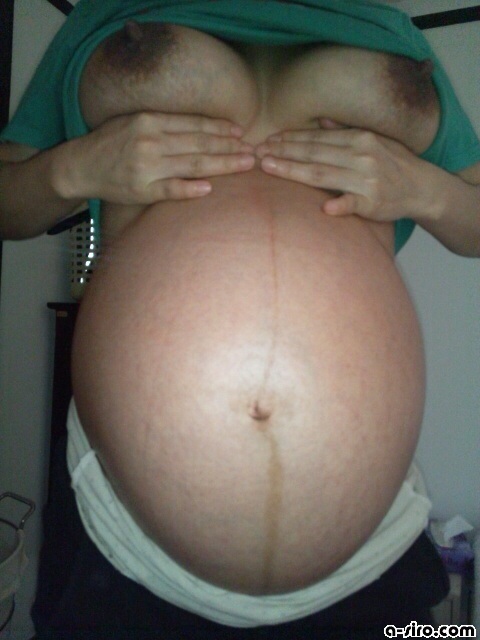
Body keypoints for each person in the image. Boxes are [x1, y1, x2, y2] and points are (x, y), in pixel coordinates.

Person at [1, 1, 479, 638]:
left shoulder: (393, 32)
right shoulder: (106, 14)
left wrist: (424, 189)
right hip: (122, 537)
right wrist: (74, 168)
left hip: (374, 550)